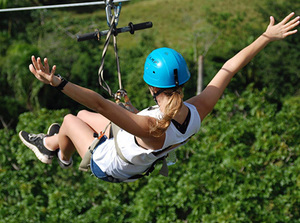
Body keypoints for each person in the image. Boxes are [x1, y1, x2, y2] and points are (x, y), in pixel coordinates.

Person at [19, 12, 299, 182]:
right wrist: (266, 36)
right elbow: (230, 67)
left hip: (108, 165)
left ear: (151, 87)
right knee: (83, 117)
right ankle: (54, 145)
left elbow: (99, 102)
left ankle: (56, 153)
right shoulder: (195, 111)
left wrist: (58, 82)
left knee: (70, 119)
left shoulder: (149, 127)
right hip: (130, 144)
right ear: (183, 80)